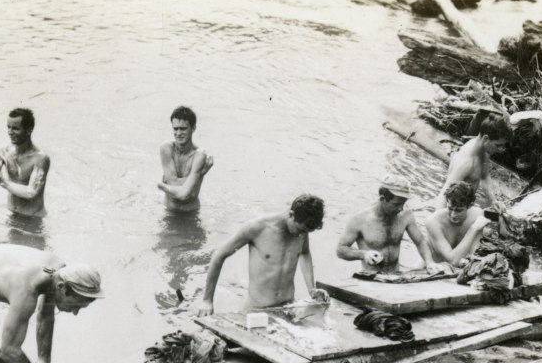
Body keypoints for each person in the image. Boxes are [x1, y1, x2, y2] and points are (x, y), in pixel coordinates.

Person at [198, 194, 330, 314]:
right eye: (300, 229)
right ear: (291, 214)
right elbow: (219, 255)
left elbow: (304, 253)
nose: (302, 234)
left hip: (287, 308)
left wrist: (312, 289)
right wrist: (207, 301)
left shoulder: (302, 231)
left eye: (306, 232)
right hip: (257, 309)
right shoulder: (257, 228)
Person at [336, 177, 438, 273]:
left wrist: (429, 262)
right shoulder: (359, 220)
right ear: (382, 198)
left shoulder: (406, 215)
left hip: (396, 276)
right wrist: (363, 254)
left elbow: (420, 241)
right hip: (371, 278)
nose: (401, 208)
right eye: (397, 204)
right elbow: (341, 250)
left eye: (404, 203)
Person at [0, 108, 50, 220]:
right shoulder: (4, 152)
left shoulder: (41, 158)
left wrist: (2, 181)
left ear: (29, 130)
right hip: (11, 215)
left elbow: (31, 193)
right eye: (8, 127)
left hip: (33, 220)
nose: (10, 132)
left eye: (15, 128)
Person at [439, 116, 512, 210]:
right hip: (455, 212)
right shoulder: (466, 162)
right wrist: (439, 222)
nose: (500, 150)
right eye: (498, 145)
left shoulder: (484, 151)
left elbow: (484, 176)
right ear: (486, 138)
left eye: (502, 146)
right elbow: (445, 194)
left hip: (464, 208)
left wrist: (493, 201)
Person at [158, 106, 214, 215]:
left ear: (193, 128)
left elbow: (182, 191)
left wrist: (170, 184)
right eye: (175, 128)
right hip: (169, 211)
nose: (178, 133)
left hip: (191, 213)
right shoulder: (166, 148)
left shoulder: (199, 154)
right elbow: (173, 183)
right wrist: (198, 174)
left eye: (183, 129)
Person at [425, 182, 491, 266]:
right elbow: (453, 261)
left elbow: (475, 254)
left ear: (470, 206)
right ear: (447, 202)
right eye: (450, 208)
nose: (453, 215)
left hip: (457, 267)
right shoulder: (433, 222)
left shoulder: (477, 215)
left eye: (459, 210)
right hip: (431, 266)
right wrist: (473, 228)